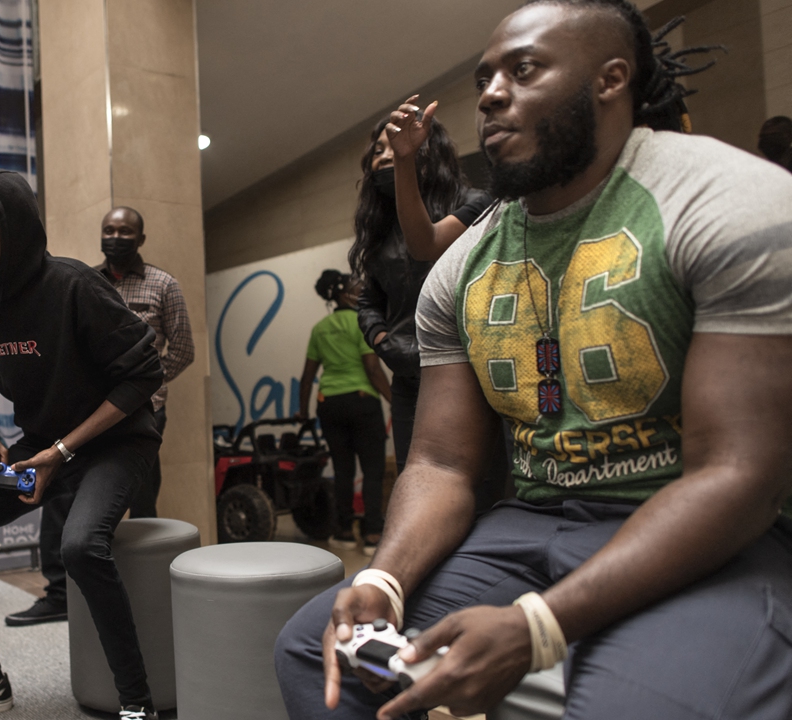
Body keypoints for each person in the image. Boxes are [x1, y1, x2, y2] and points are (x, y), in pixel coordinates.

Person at [275, 2, 792, 719]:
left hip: (708, 530)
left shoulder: (728, 202)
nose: (489, 93)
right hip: (531, 521)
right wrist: (385, 581)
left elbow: (738, 475)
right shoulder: (462, 267)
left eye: (523, 71)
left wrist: (540, 627)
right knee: (315, 646)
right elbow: (442, 465)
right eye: (485, 77)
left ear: (610, 80)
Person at [0, 168, 164, 720]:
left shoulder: (72, 285)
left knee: (79, 547)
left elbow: (145, 374)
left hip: (115, 445)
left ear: (13, 230)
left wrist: (61, 453)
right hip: (39, 451)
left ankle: (137, 703)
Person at [3, 205, 195, 628]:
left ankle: (149, 592)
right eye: (109, 229)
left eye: (126, 231)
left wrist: (144, 388)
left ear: (141, 239)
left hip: (142, 414)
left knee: (141, 500)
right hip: (83, 417)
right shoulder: (80, 281)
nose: (116, 236)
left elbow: (181, 349)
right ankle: (58, 593)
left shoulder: (164, 284)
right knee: (59, 500)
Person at [350, 111, 493, 489]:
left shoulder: (475, 203)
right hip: (409, 380)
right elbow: (368, 301)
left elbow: (427, 244)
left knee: (474, 490)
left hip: (469, 375)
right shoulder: (381, 229)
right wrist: (383, 342)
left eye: (390, 147)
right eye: (377, 151)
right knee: (417, 485)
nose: (382, 157)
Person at [294, 270, 392, 554]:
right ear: (341, 293)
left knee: (342, 469)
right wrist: (393, 399)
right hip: (362, 402)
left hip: (330, 405)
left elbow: (307, 376)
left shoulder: (320, 328)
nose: (359, 288)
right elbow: (373, 368)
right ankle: (373, 534)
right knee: (372, 470)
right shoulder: (362, 322)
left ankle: (345, 532)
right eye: (353, 285)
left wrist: (302, 412)